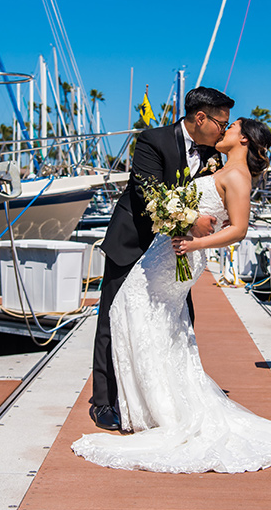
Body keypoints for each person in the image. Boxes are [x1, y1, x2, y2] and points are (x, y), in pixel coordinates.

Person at [73, 118, 271, 473]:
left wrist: (196, 241)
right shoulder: (220, 166)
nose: (224, 131)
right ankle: (150, 403)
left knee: (139, 313)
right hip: (169, 250)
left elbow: (238, 229)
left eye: (231, 127)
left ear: (244, 140)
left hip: (183, 251)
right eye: (223, 123)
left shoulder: (236, 176)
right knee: (152, 320)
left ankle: (157, 406)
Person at [89, 87, 235, 431]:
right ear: (200, 117)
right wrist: (191, 221)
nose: (224, 131)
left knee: (179, 321)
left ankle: (169, 396)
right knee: (114, 320)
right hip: (133, 243)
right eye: (221, 123)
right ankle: (104, 402)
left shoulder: (214, 152)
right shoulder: (152, 140)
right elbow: (148, 192)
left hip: (173, 255)